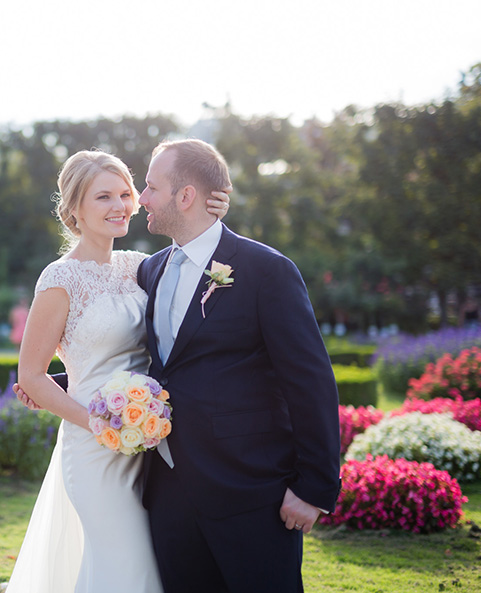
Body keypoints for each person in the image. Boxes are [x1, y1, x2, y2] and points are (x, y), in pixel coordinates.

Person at [5, 149, 230, 593]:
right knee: (128, 565)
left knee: (142, 563)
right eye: (103, 197)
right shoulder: (59, 279)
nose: (120, 206)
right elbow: (31, 376)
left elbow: (201, 269)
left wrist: (212, 215)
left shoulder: (140, 266)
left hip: (150, 443)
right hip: (94, 448)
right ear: (74, 210)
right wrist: (101, 419)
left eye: (126, 194)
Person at [135, 139, 341, 592]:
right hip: (169, 493)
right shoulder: (149, 269)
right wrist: (61, 382)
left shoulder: (266, 270)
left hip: (252, 493)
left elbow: (310, 383)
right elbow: (151, 365)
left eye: (150, 187)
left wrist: (314, 488)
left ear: (185, 196)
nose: (140, 199)